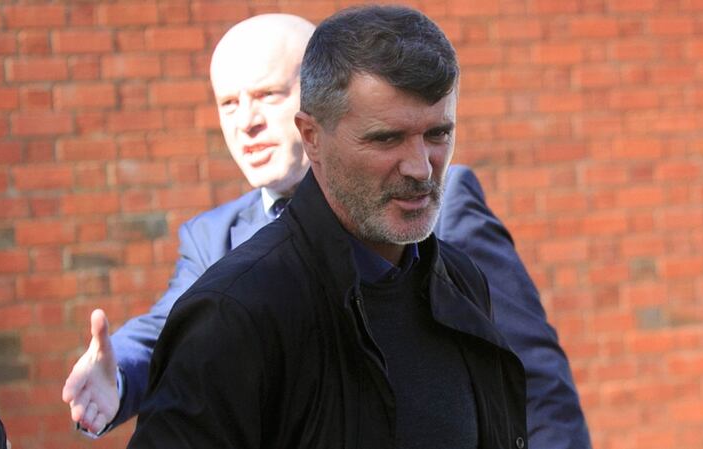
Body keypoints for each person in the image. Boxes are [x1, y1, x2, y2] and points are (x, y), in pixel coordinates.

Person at [62, 11, 590, 449]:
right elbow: (171, 330)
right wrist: (121, 375)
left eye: (268, 94)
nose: (247, 122)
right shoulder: (218, 250)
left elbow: (526, 372)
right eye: (229, 102)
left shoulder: (443, 227)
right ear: (314, 133)